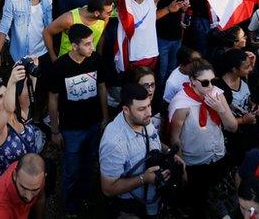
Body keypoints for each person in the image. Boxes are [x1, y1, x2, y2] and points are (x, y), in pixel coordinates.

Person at [48, 24, 109, 214]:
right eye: (87, 44)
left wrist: (105, 117)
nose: (92, 47)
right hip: (71, 129)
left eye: (92, 43)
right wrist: (55, 130)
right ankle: (69, 207)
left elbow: (101, 87)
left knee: (89, 164)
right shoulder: (60, 66)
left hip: (93, 124)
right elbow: (53, 98)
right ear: (74, 46)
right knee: (71, 170)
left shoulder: (95, 59)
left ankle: (86, 198)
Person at [167, 59, 237, 210]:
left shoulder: (217, 94)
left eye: (213, 81)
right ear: (193, 81)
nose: (211, 86)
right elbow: (174, 138)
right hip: (195, 163)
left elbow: (232, 127)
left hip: (217, 155)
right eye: (205, 82)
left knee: (217, 195)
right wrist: (182, 168)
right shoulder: (181, 104)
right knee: (198, 201)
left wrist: (220, 109)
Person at [99, 83, 176, 218]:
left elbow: (153, 140)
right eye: (141, 109)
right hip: (131, 206)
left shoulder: (143, 119)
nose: (149, 113)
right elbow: (108, 188)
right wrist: (143, 178)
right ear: (126, 110)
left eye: (149, 106)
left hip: (153, 198)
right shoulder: (114, 143)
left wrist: (169, 152)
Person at [42, 0, 113, 60]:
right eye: (108, 13)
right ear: (96, 13)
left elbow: (101, 35)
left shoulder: (104, 18)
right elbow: (47, 33)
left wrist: (98, 56)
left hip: (89, 62)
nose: (111, 14)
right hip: (68, 63)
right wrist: (53, 58)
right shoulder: (69, 19)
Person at [0, 153, 46, 219]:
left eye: (35, 190)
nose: (28, 197)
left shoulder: (36, 177)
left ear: (44, 177)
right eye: (23, 187)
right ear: (15, 175)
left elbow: (40, 198)